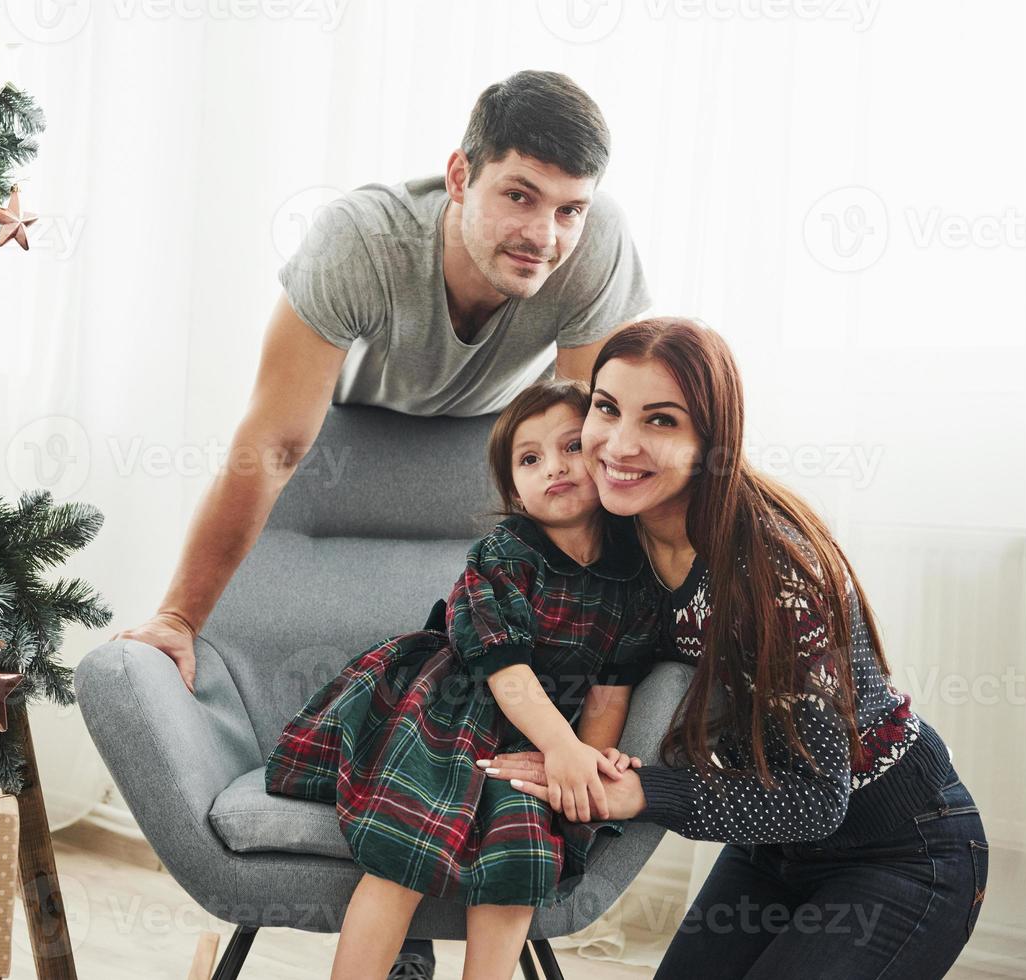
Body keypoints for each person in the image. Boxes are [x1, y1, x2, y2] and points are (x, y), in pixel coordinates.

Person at [110, 69, 652, 978]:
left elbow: (588, 439)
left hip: (496, 435)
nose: (544, 234)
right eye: (519, 195)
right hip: (348, 426)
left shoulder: (592, 250)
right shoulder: (359, 241)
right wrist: (178, 616)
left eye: (568, 208)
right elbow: (274, 444)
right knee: (419, 714)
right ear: (458, 175)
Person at [478, 317, 990, 977]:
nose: (618, 443)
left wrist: (636, 792)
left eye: (660, 421)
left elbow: (816, 799)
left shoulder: (772, 575)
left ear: (709, 442)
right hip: (770, 845)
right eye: (606, 408)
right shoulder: (612, 533)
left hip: (899, 849)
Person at [263, 380, 655, 980]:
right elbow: (506, 671)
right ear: (514, 488)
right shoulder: (502, 555)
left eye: (571, 446)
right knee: (406, 846)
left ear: (603, 454)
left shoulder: (634, 578)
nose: (553, 466)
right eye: (530, 459)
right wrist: (564, 746)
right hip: (449, 711)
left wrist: (586, 761)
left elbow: (611, 689)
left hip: (535, 736)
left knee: (523, 851)